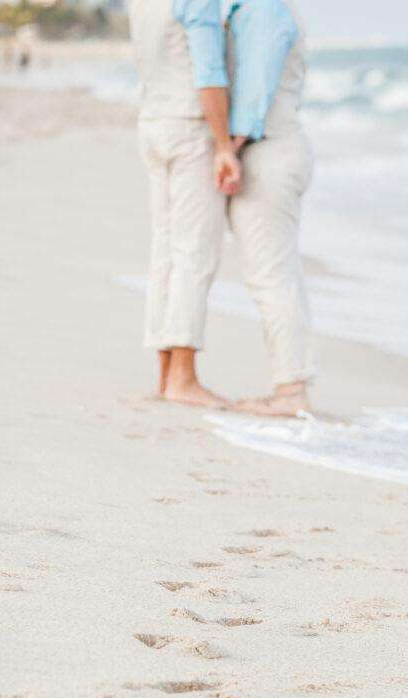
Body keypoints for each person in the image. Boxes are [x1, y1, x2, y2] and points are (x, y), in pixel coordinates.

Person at [127, 0, 241, 407]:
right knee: (195, 251)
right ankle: (183, 377)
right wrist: (225, 145)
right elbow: (208, 74)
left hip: (153, 124)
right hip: (189, 127)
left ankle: (165, 374)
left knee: (165, 251)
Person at [223, 0, 315, 417]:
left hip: (269, 150)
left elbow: (256, 89)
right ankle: (292, 382)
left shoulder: (263, 8)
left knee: (271, 276)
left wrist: (228, 149)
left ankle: (291, 390)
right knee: (280, 273)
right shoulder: (273, 8)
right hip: (280, 146)